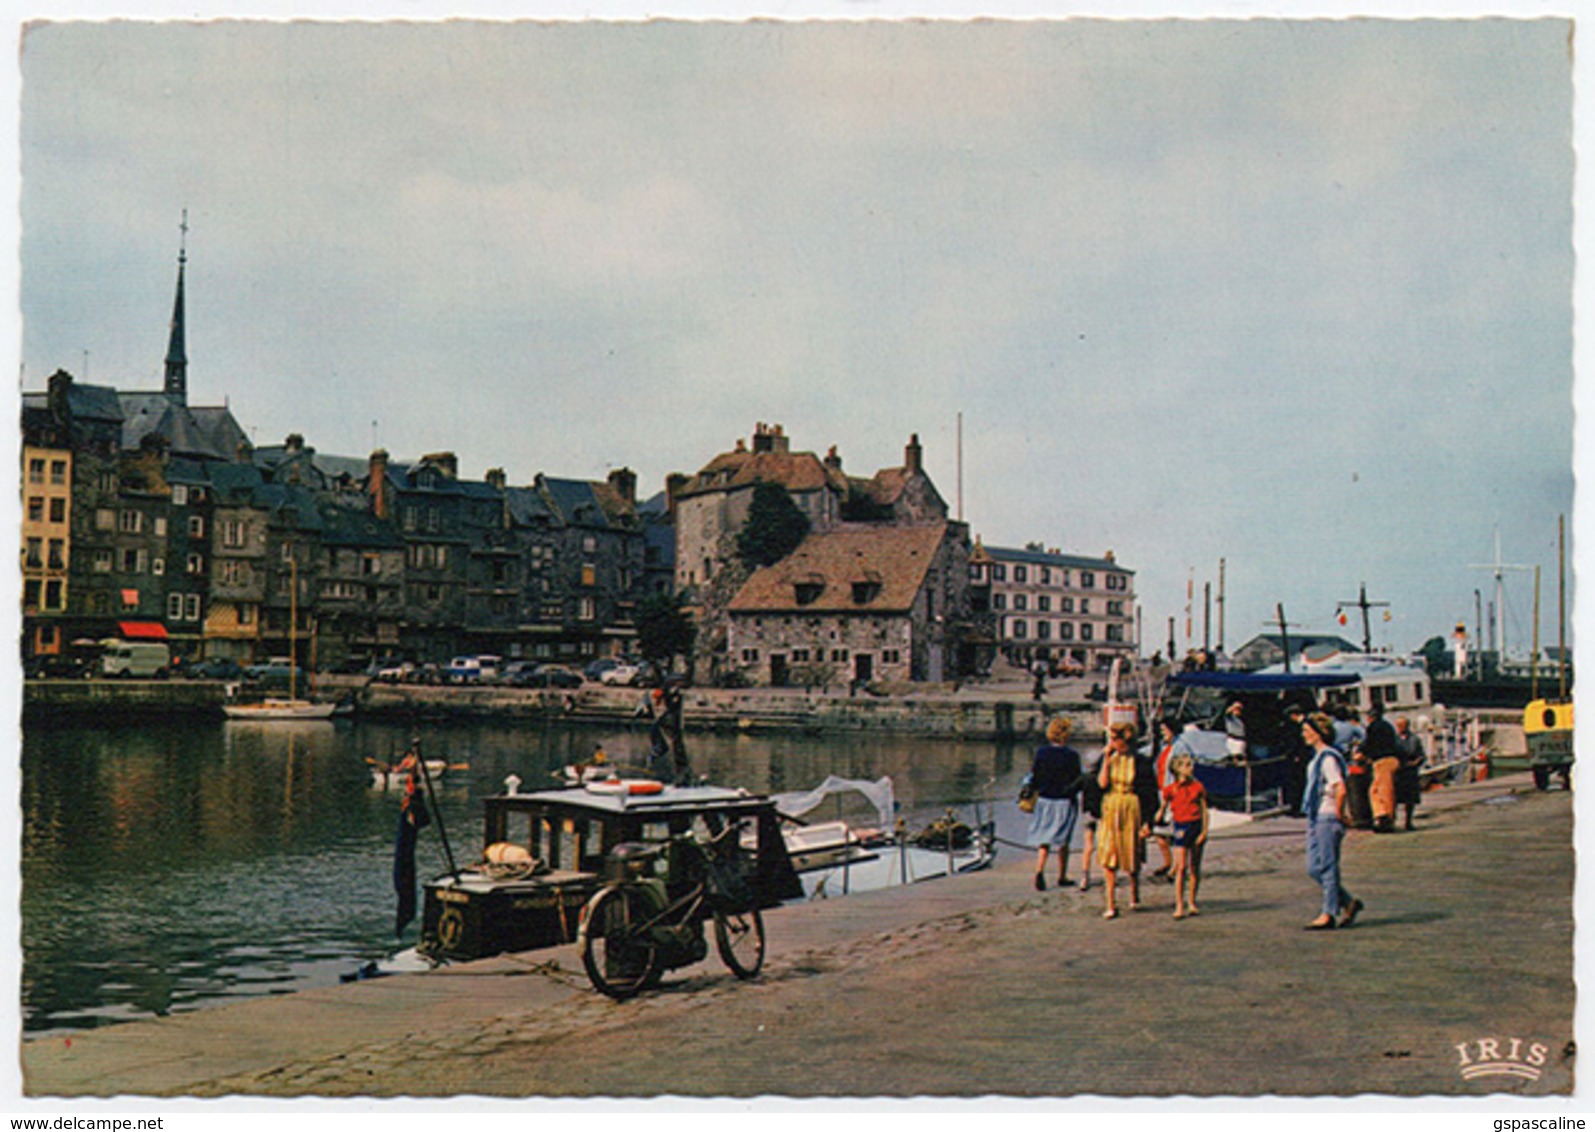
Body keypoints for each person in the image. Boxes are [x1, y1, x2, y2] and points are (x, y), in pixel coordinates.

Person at [1300, 711, 1364, 931]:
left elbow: (1340, 786)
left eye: (1308, 731)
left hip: (1327, 815)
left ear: (1319, 733)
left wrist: (1339, 812)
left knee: (1327, 866)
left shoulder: (1328, 758)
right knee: (1313, 867)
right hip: (1316, 815)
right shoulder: (1317, 757)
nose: (1304, 735)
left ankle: (1328, 913)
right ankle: (1347, 902)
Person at [1096, 721, 1149, 919]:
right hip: (1111, 805)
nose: (1111, 742)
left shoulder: (1140, 760)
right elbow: (1101, 783)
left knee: (1131, 852)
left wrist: (1147, 821)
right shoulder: (1108, 757)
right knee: (1109, 853)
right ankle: (1111, 902)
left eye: (1114, 739)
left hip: (1131, 805)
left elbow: (1147, 790)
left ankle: (1134, 893)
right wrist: (1107, 759)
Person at [1026, 717, 1084, 890]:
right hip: (1064, 799)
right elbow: (1077, 778)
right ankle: (1061, 875)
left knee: (1044, 838)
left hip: (1045, 799)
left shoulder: (1041, 753)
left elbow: (1035, 776)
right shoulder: (1072, 755)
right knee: (1063, 840)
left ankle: (1039, 869)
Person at [1157, 751, 1209, 919]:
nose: (1191, 768)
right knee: (1181, 867)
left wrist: (1204, 831)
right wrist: (1158, 816)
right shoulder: (1171, 789)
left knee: (1194, 866)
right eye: (1186, 765)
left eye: (1190, 764)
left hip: (1195, 825)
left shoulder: (1197, 787)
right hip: (1180, 825)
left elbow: (1204, 810)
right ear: (1177, 769)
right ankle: (1179, 904)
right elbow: (1163, 807)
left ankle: (1192, 902)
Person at [1363, 702, 1400, 832]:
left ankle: (1383, 817)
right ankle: (1387, 817)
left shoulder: (1373, 727)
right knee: (1386, 790)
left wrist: (1362, 753)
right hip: (1393, 759)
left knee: (1379, 791)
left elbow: (1369, 743)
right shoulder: (1388, 726)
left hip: (1381, 761)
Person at [1076, 743, 1104, 892]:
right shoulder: (1103, 778)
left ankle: (1085, 876)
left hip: (1087, 813)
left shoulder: (1084, 778)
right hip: (1102, 813)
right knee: (1103, 844)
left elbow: (1071, 789)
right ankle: (1107, 872)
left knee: (1088, 846)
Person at [1278, 701, 1313, 815]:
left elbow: (1298, 742)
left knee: (1297, 783)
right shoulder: (1307, 723)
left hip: (1299, 758)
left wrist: (1294, 754)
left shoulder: (1302, 725)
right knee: (1300, 782)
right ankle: (1299, 806)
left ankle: (1297, 807)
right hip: (1302, 757)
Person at [1393, 715, 1425, 831]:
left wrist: (1416, 762)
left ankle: (1408, 821)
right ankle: (1393, 820)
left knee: (1410, 799)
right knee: (1395, 798)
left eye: (1403, 725)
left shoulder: (1415, 739)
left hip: (1411, 771)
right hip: (1399, 771)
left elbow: (1421, 755)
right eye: (1399, 726)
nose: (1401, 728)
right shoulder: (1394, 740)